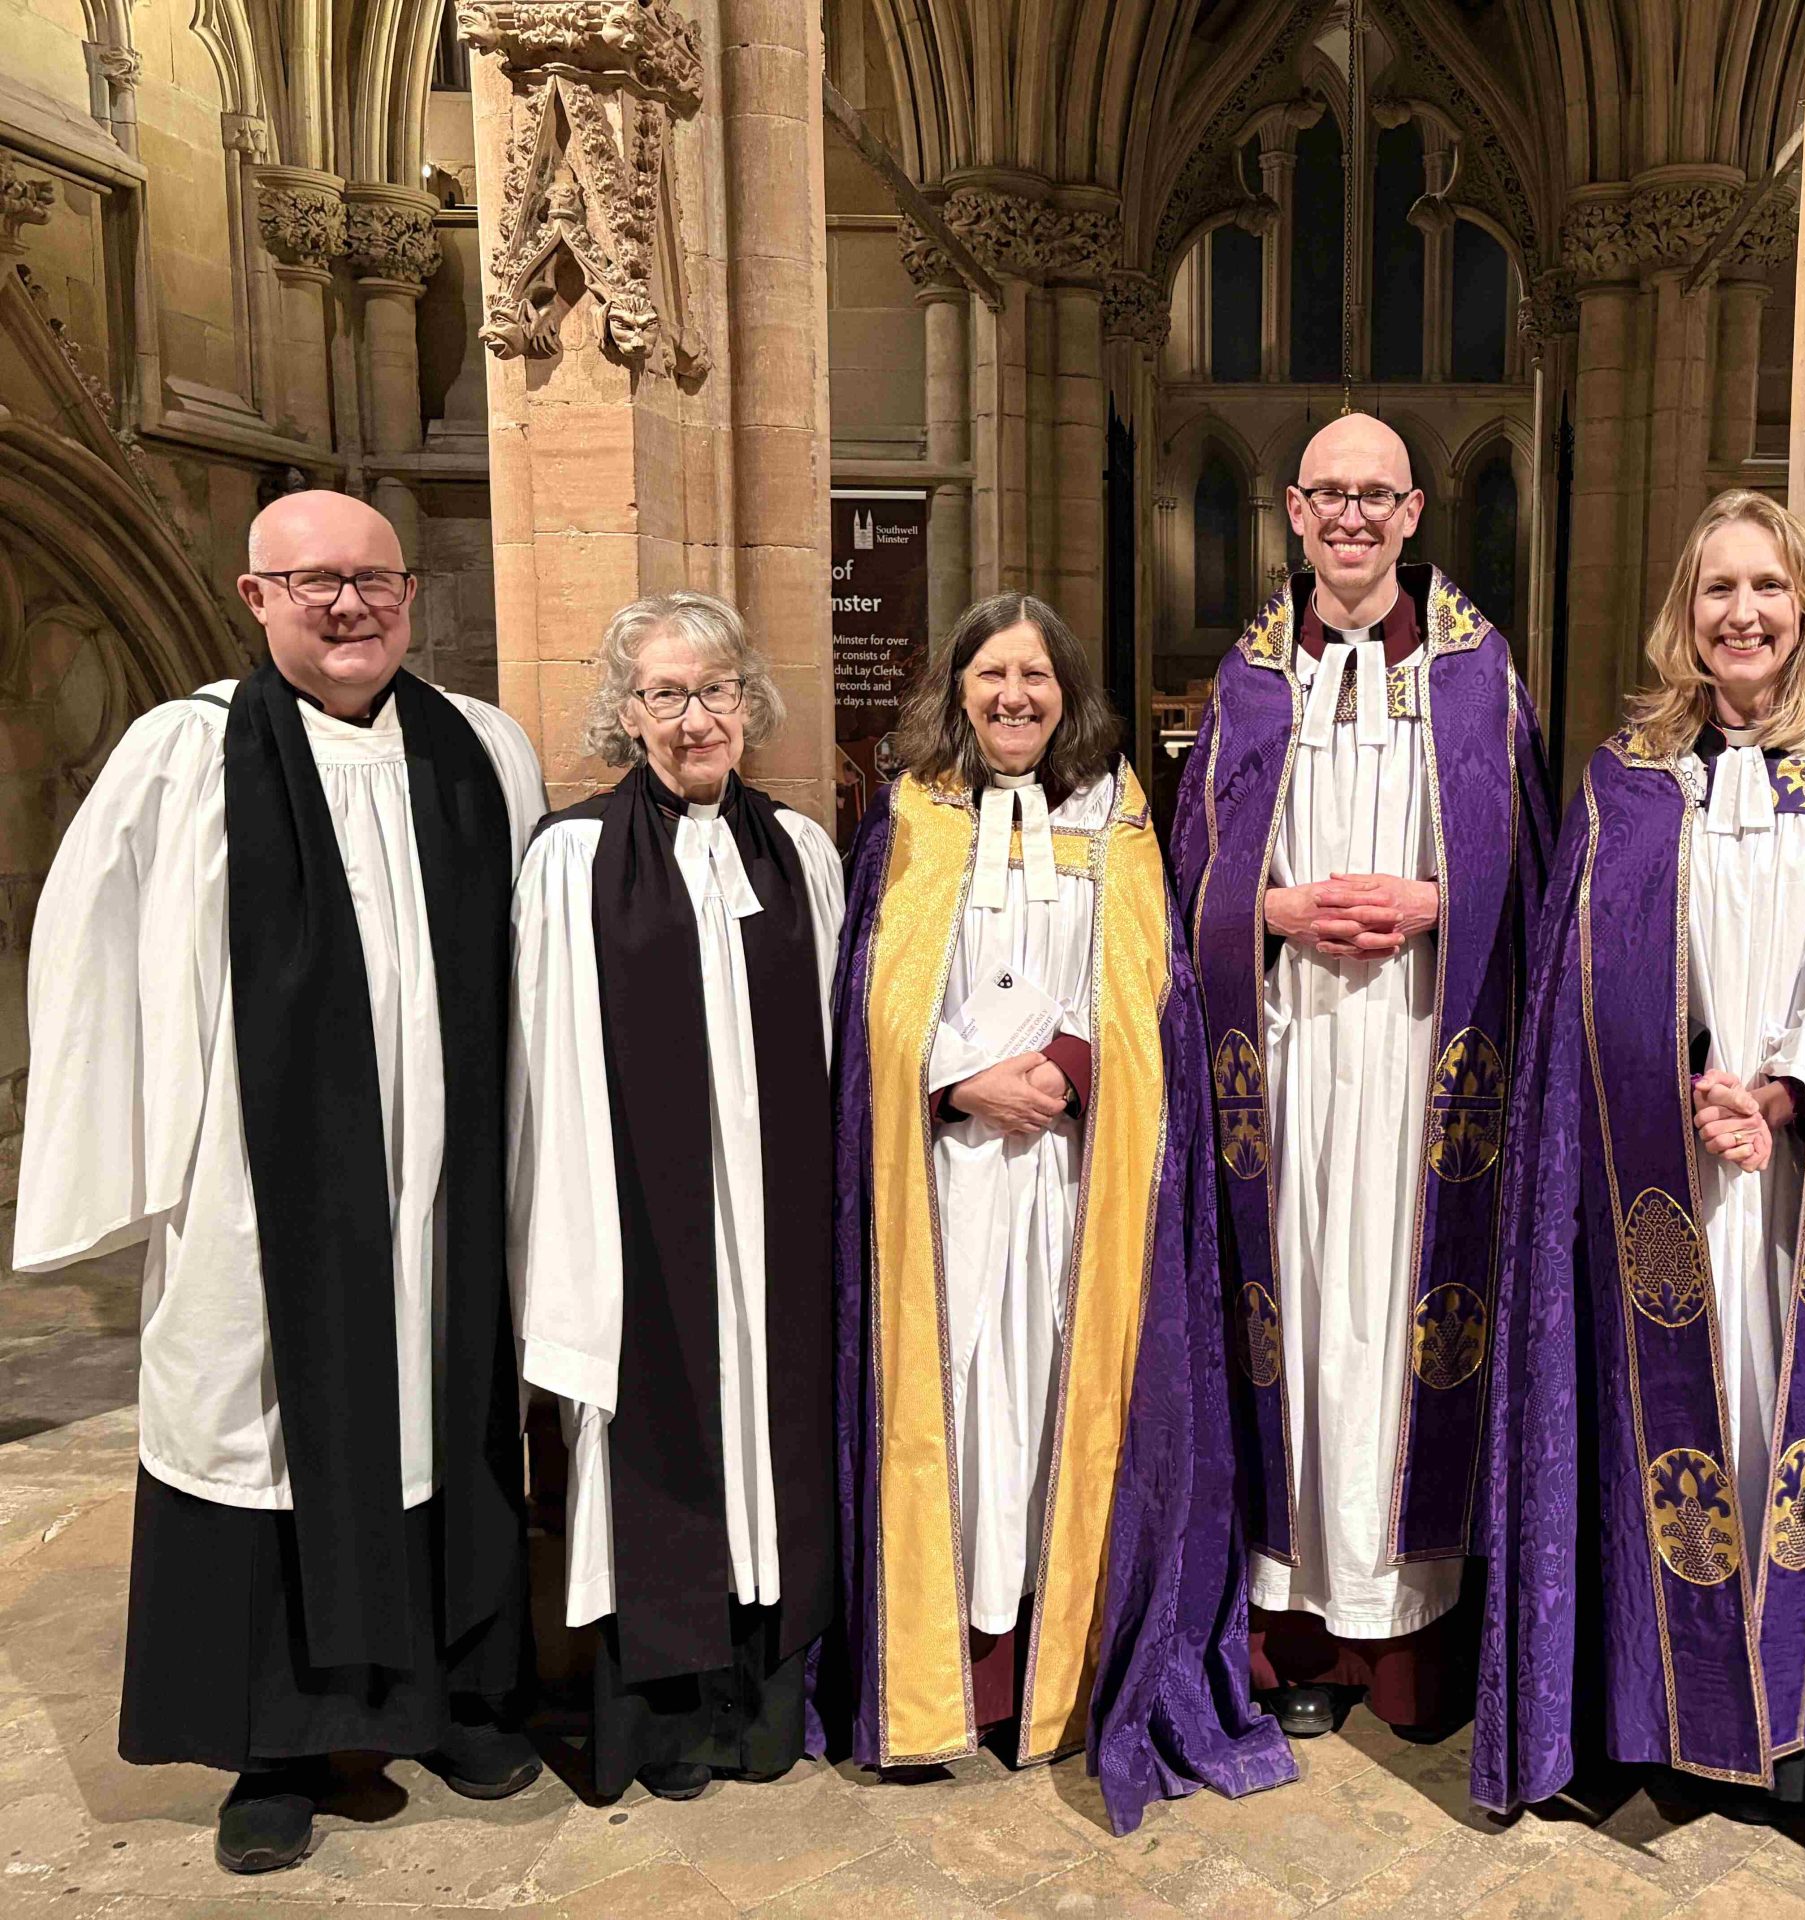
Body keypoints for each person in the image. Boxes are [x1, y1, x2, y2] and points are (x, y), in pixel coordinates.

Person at [12, 489, 547, 1873]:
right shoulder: (182, 756)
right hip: (257, 1193)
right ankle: (276, 1745)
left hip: (442, 1189)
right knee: (262, 1442)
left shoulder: (482, 749)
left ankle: (457, 1700)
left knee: (445, 1418)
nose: (351, 604)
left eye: (375, 579)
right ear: (256, 598)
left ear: (410, 595)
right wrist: (143, 1161)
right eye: (314, 582)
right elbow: (93, 957)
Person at [1468, 491, 1805, 1850]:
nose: (1741, 614)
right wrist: (1682, 1074)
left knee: (1792, 1417)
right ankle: (1668, 1716)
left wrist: (1785, 1094)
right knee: (1675, 1421)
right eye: (1715, 591)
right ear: (1683, 617)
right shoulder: (1625, 784)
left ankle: (1794, 1729)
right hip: (1670, 1169)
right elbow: (1582, 985)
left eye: (1765, 586)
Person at [820, 592, 1294, 1834]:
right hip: (945, 1178)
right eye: (990, 674)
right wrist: (956, 1075)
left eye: (1034, 675)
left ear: (1067, 689)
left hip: (1080, 1182)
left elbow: (1158, 992)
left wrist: (1070, 1071)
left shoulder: (1118, 811)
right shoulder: (911, 816)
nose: (1014, 696)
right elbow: (871, 988)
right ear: (958, 689)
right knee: (960, 1407)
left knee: (1050, 1406)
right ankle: (951, 1678)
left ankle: (1062, 1670)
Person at [1171, 412, 1552, 1742]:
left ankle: (1405, 1653)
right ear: (1289, 509)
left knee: (1401, 1330)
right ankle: (1295, 1643)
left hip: (1422, 1065)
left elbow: (1537, 878)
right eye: (1326, 494)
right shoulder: (1243, 685)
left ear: (1412, 514)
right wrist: (1269, 916)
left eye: (1373, 496)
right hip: (1281, 1066)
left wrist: (1436, 898)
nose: (1349, 517)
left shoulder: (1480, 677)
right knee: (1305, 1324)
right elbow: (1188, 885)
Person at [506, 593, 841, 1802]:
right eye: (665, 694)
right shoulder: (574, 860)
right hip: (644, 1224)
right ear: (624, 711)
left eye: (716, 691)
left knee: (777, 1448)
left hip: (779, 1231)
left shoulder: (799, 852)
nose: (695, 718)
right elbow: (546, 1070)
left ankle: (763, 1705)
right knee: (658, 1448)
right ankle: (665, 1719)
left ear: (750, 703)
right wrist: (573, 1246)